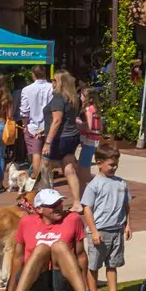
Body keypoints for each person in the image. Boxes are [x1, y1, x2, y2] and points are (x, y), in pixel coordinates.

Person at [0, 187, 96, 291]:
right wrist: (10, 290)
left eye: (59, 203)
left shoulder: (73, 219)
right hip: (34, 290)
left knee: (59, 245)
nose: (58, 207)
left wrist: (87, 288)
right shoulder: (26, 222)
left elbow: (81, 255)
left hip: (62, 289)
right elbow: (18, 257)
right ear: (39, 209)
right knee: (41, 249)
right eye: (53, 205)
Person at [80, 143, 133, 291]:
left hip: (117, 230)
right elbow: (87, 209)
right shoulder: (94, 185)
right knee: (94, 265)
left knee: (112, 264)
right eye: (111, 164)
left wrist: (127, 225)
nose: (114, 167)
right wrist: (94, 232)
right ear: (99, 163)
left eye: (116, 164)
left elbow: (126, 206)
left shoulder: (121, 183)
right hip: (100, 232)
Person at [42, 70, 85, 206]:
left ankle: (49, 202)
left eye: (54, 80)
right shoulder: (72, 98)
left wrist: (48, 142)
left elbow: (57, 120)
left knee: (45, 168)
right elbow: (66, 119)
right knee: (69, 169)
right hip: (71, 136)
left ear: (60, 82)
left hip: (60, 138)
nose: (52, 83)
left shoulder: (58, 98)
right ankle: (77, 203)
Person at [18, 64, 54, 182]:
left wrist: (24, 126)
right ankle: (47, 177)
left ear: (33, 75)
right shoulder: (52, 87)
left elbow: (24, 111)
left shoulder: (27, 90)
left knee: (36, 153)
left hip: (33, 125)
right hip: (49, 125)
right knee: (48, 153)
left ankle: (38, 179)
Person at [78, 87, 104, 174]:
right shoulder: (95, 108)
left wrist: (78, 124)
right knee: (85, 163)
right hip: (95, 140)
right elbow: (100, 127)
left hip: (88, 140)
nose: (80, 97)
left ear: (86, 98)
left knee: (83, 165)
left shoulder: (88, 109)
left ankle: (88, 182)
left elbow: (89, 127)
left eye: (82, 95)